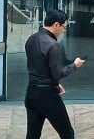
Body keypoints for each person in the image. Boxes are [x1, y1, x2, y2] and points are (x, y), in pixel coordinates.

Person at [25, 8, 86, 139]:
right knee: (67, 133)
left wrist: (55, 84)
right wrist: (75, 65)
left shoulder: (31, 39)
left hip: (31, 93)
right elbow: (58, 73)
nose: (64, 30)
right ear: (56, 24)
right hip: (48, 97)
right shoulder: (52, 45)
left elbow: (40, 68)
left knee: (32, 135)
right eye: (64, 27)